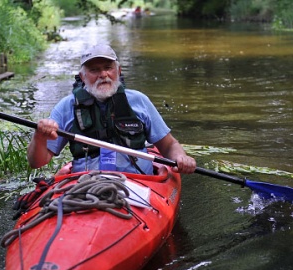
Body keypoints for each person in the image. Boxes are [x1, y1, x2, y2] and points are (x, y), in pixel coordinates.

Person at [27, 44, 196, 175]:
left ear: (118, 71)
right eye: (94, 70)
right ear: (82, 77)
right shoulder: (66, 106)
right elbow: (38, 162)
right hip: (85, 186)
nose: (103, 74)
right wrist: (39, 137)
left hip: (138, 183)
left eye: (108, 68)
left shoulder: (139, 101)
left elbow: (169, 145)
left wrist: (181, 158)